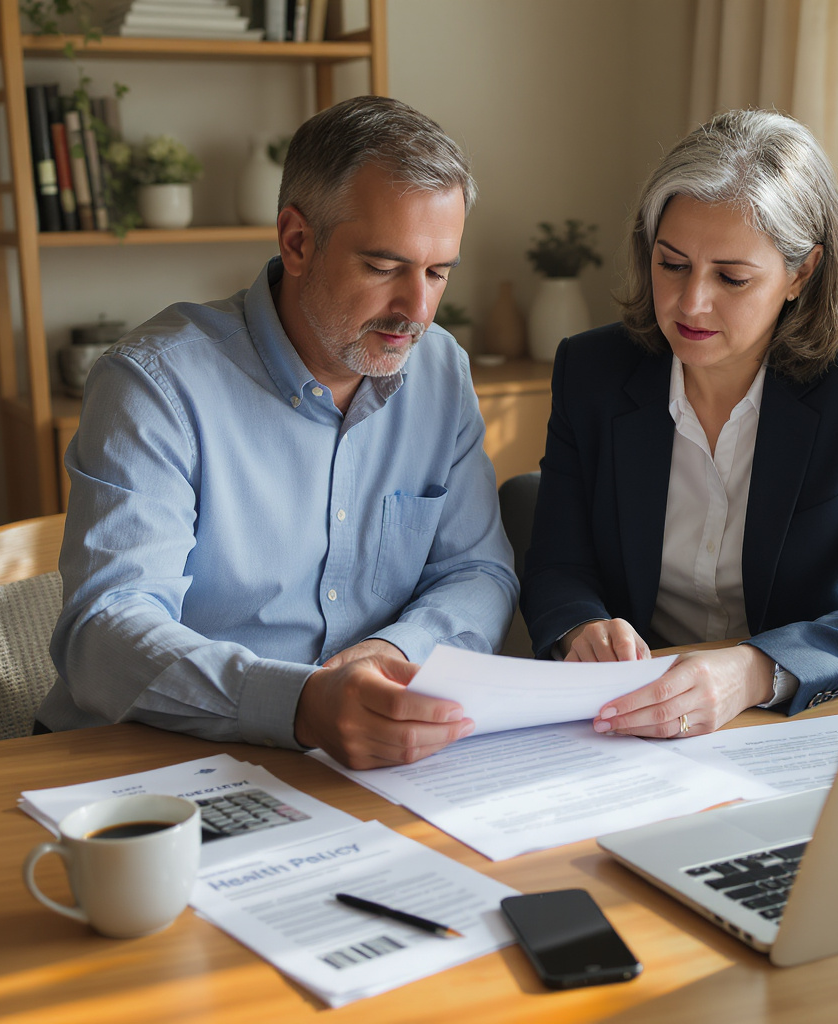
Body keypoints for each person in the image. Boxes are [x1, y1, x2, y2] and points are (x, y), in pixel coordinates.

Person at [38, 95, 519, 769]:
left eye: (438, 272)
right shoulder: (154, 383)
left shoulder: (440, 370)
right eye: (384, 266)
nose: (418, 309)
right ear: (297, 241)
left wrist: (395, 653)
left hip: (348, 768)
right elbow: (106, 633)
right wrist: (300, 703)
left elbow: (477, 570)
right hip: (143, 766)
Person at [520, 108, 838, 738]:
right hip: (635, 717)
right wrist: (580, 628)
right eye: (671, 265)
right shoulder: (591, 370)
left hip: (800, 715)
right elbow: (557, 564)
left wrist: (753, 671)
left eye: (731, 277)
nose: (691, 302)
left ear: (800, 273)